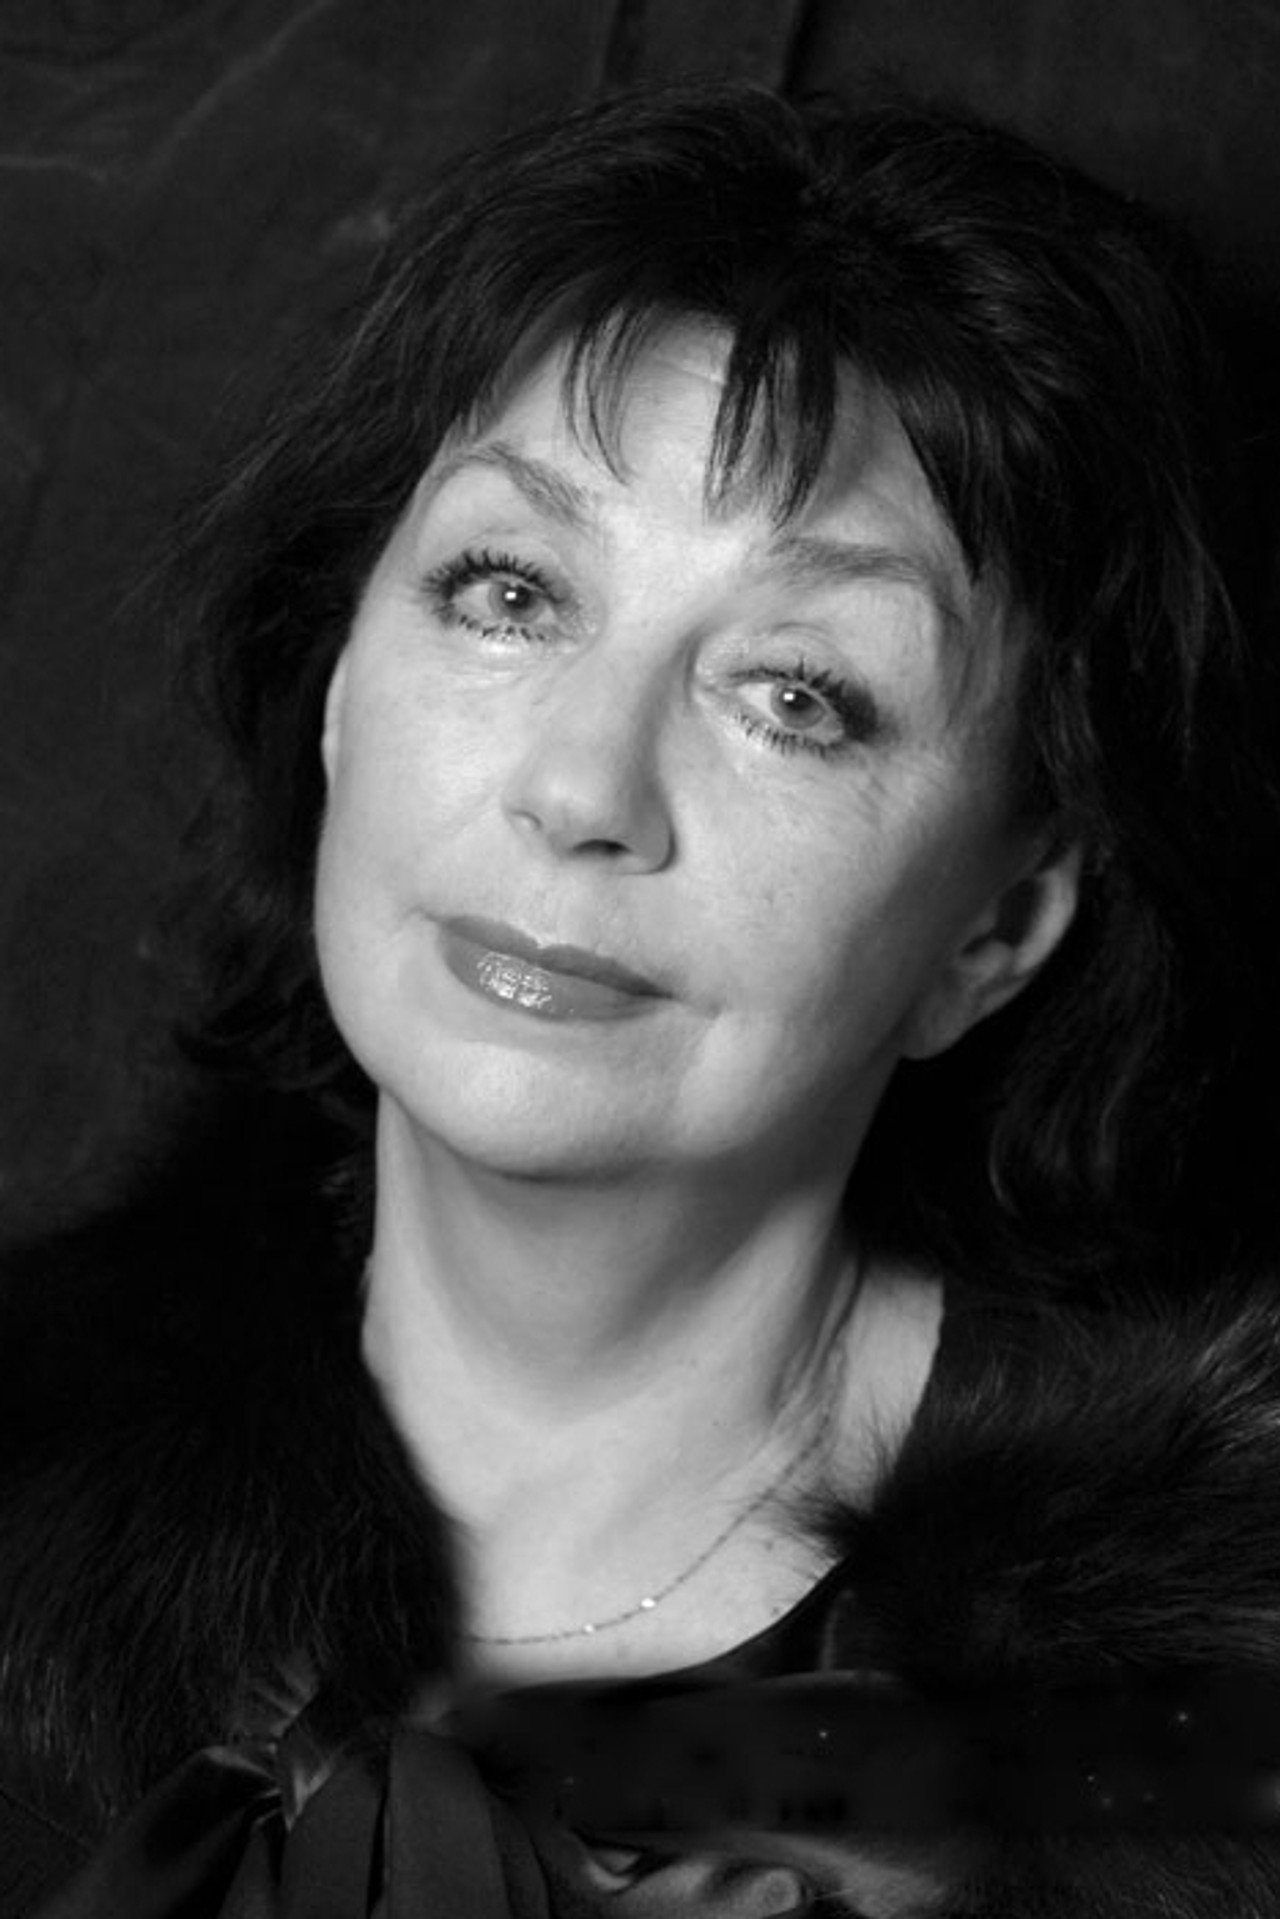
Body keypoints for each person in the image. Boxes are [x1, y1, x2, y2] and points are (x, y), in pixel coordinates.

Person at [0, 79, 1276, 1917]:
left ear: (995, 929)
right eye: (510, 591)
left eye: (797, 697)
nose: (584, 786)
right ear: (341, 686)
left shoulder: (1210, 1731)